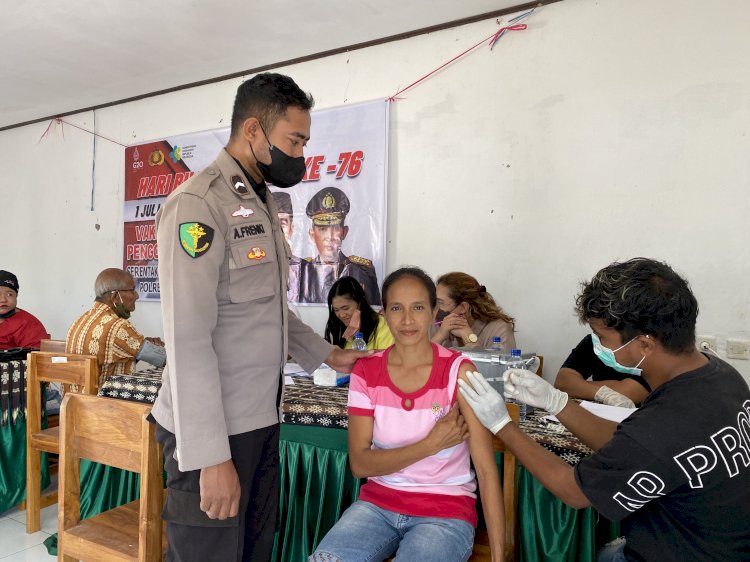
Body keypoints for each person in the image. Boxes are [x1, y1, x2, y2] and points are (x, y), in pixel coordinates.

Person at [152, 72, 367, 562]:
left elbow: (269, 307)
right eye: (294, 139)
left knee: (253, 548)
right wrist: (210, 457)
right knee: (208, 554)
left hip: (260, 416)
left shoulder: (261, 201)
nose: (301, 153)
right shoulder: (198, 204)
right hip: (211, 428)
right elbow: (187, 339)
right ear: (253, 130)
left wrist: (329, 355)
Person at [458, 258, 750, 561]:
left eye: (602, 337)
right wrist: (557, 402)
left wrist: (503, 425)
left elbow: (573, 491)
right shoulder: (720, 375)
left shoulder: (662, 426)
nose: (596, 344)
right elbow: (627, 443)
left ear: (645, 346)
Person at [312, 267, 504, 562]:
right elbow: (361, 464)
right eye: (396, 308)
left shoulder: (459, 372)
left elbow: (487, 471)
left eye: (417, 307)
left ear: (433, 311)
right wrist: (431, 444)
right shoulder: (367, 371)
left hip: (445, 511)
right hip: (377, 506)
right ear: (383, 313)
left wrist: (499, 558)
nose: (407, 320)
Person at [66, 268, 166, 379]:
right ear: (115, 297)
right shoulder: (117, 326)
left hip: (74, 396)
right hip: (102, 396)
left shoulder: (81, 320)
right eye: (132, 290)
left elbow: (114, 353)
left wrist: (144, 344)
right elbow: (163, 359)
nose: (137, 296)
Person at [297, 186, 380, 305]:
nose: (329, 236)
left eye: (335, 228)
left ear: (344, 232)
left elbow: (373, 314)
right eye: (322, 229)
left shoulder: (362, 270)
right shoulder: (302, 271)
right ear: (312, 235)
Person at [554, 335, 651, 408]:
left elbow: (628, 392)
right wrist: (604, 393)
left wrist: (580, 385)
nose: (598, 338)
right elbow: (562, 382)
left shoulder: (648, 350)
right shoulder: (594, 341)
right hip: (596, 414)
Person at [432, 272, 516, 350]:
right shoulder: (438, 323)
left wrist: (468, 336)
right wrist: (440, 335)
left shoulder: (499, 328)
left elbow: (493, 366)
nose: (435, 310)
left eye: (440, 303)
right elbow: (421, 360)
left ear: (463, 307)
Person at [324, 276, 393, 350]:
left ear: (359, 303)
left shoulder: (383, 325)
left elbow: (386, 358)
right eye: (336, 310)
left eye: (345, 308)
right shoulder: (339, 327)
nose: (341, 315)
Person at [0, 270, 49, 350]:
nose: (3, 299)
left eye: (9, 294)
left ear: (16, 296)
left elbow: (36, 357)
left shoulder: (28, 323)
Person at [271, 190, 302, 303]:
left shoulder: (305, 269)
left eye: (283, 223)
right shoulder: (256, 265)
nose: (277, 230)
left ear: (291, 228)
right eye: (272, 224)